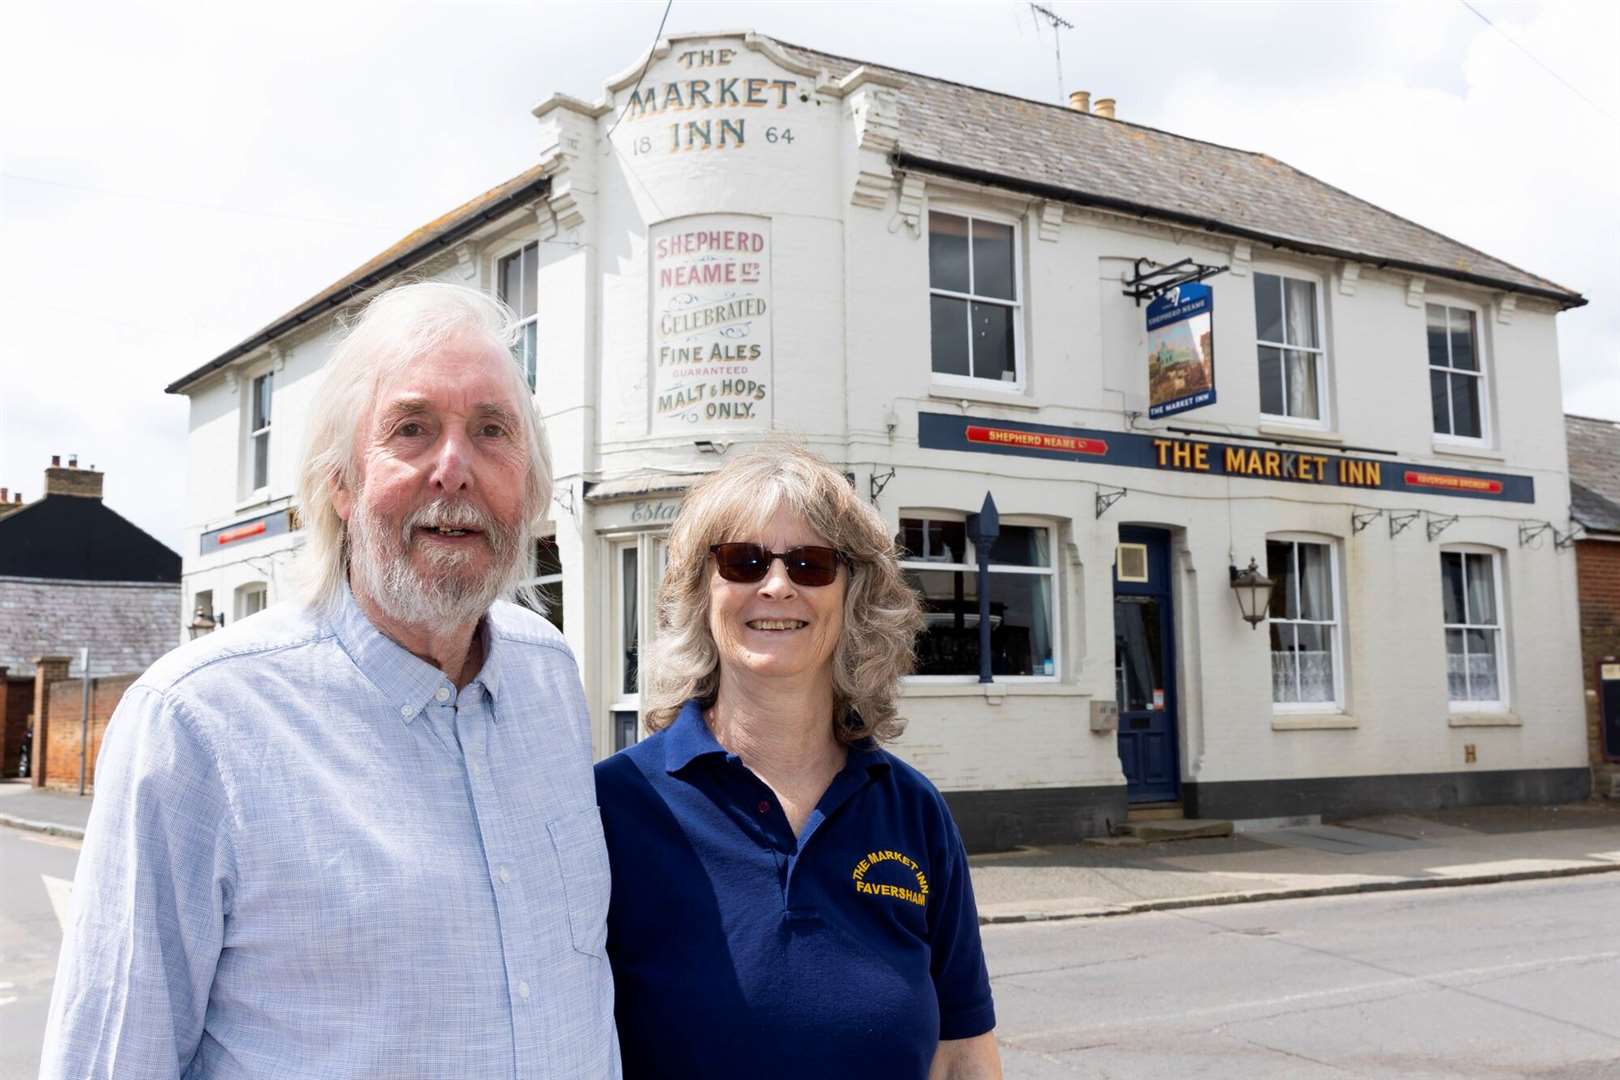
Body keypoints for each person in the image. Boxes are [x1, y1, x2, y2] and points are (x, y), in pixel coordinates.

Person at [41, 283, 619, 1079]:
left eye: (493, 432)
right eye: (411, 430)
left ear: (529, 485)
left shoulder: (550, 675)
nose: (455, 468)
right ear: (341, 485)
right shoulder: (195, 723)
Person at [595, 444, 1002, 1080]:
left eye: (811, 564)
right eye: (743, 560)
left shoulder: (912, 810)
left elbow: (963, 1056)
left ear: (854, 597)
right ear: (703, 592)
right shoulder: (613, 809)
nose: (777, 585)